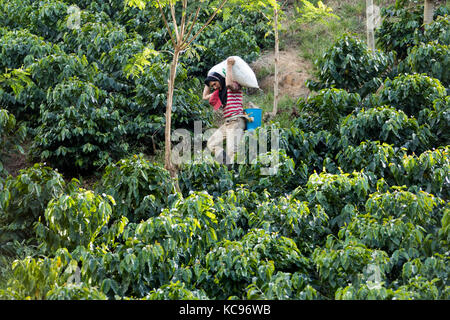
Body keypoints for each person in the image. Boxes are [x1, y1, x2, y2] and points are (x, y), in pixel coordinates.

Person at [203, 57, 246, 166]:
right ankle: (226, 163)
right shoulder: (219, 93)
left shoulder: (235, 86)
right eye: (212, 86)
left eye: (214, 83)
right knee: (211, 143)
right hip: (227, 124)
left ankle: (233, 175)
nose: (214, 87)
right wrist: (208, 80)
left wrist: (229, 66)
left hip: (236, 121)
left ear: (219, 78)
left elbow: (228, 84)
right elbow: (204, 96)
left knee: (233, 152)